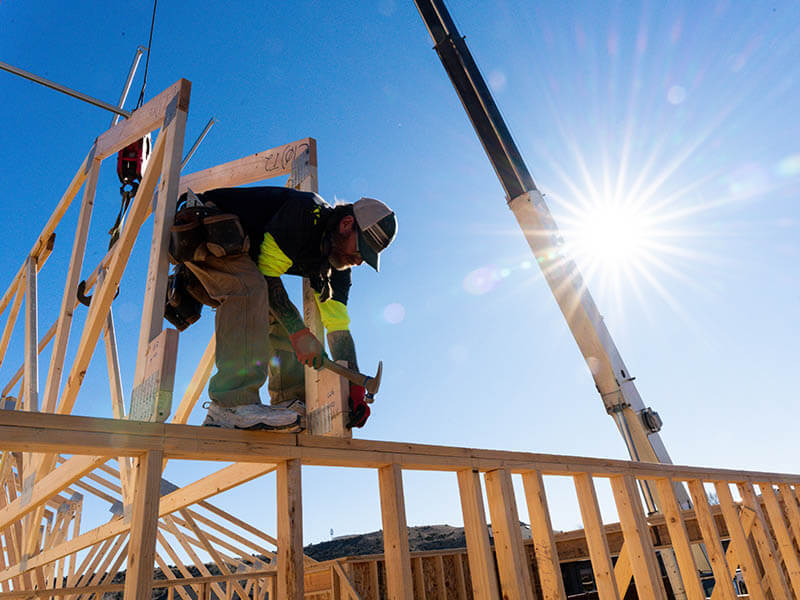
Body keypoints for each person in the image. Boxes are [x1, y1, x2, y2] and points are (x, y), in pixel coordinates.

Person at [174, 186, 397, 431]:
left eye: (366, 257)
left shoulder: (337, 268)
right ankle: (229, 405)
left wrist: (353, 385)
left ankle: (288, 401)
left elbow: (338, 328)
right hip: (206, 227)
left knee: (284, 318)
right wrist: (299, 332)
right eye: (361, 249)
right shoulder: (304, 214)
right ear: (346, 224)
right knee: (250, 289)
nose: (358, 260)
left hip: (241, 254)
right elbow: (266, 277)